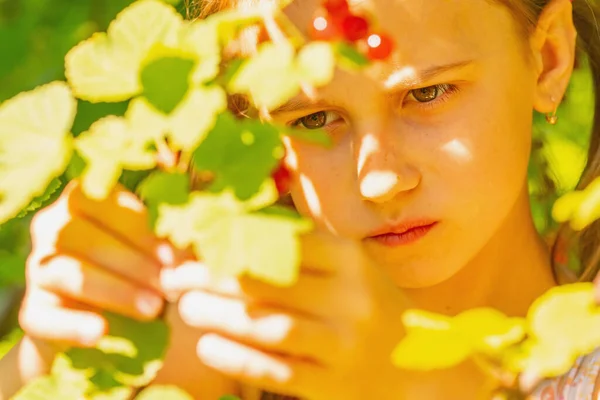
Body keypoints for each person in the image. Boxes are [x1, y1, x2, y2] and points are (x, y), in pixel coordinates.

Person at [1, 0, 600, 398]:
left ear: (548, 58)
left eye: (430, 92)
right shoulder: (225, 346)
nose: (379, 180)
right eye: (315, 118)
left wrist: (416, 383)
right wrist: (46, 363)